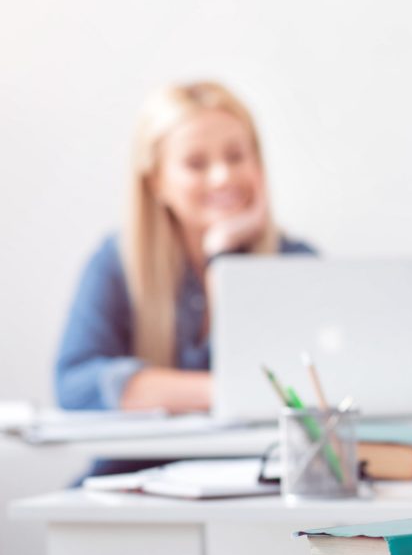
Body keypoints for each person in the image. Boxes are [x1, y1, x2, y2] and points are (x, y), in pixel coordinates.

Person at [55, 81, 313, 413]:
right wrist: (226, 392)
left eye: (236, 156)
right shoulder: (118, 261)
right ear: (156, 182)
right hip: (132, 465)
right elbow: (76, 386)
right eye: (196, 163)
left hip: (257, 462)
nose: (222, 176)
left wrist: (222, 254)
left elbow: (321, 385)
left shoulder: (296, 264)